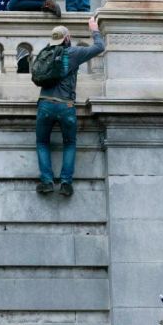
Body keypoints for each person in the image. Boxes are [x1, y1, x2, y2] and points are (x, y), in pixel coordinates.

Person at [35, 17, 105, 197]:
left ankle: (47, 181)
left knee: (42, 143)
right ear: (67, 38)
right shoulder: (73, 53)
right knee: (70, 143)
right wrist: (94, 29)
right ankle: (66, 183)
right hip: (66, 105)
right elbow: (99, 47)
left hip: (45, 103)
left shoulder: (46, 53)